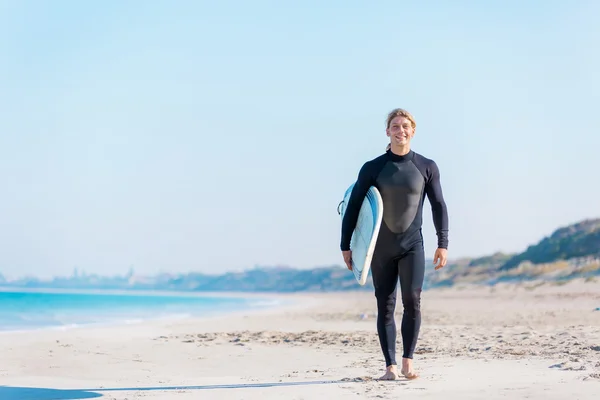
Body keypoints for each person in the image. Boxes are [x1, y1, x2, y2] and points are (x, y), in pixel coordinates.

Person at [340, 108, 449, 381]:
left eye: (405, 126)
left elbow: (438, 205)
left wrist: (442, 242)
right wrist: (346, 245)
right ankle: (389, 366)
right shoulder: (373, 167)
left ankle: (407, 362)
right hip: (380, 248)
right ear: (387, 131)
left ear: (413, 130)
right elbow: (354, 207)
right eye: (395, 126)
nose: (401, 130)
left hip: (413, 244)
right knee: (385, 305)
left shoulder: (426, 167)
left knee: (413, 300)